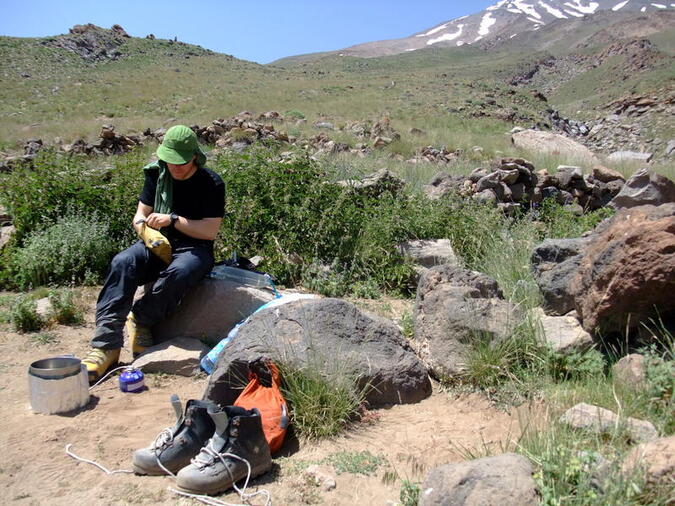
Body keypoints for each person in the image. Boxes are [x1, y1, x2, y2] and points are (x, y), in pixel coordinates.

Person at [82, 125, 225, 382]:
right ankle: (106, 345)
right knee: (123, 262)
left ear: (194, 156)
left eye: (180, 161)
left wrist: (173, 220)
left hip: (194, 247)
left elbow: (209, 231)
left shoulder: (211, 183)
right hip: (157, 242)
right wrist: (144, 230)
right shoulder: (156, 175)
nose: (175, 166)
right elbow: (141, 215)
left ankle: (141, 317)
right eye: (170, 160)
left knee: (183, 270)